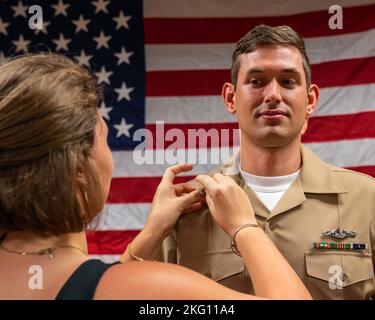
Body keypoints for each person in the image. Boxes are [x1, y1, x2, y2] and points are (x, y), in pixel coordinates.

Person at [0, 52, 311, 300]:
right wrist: (244, 227)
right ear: (79, 169)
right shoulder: (149, 288)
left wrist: (151, 232)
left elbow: (95, 287)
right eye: (105, 139)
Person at [160, 25, 375, 300]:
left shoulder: (367, 200)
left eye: (287, 82)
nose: (273, 95)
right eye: (257, 81)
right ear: (230, 98)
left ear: (310, 100)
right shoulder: (189, 207)